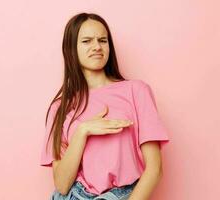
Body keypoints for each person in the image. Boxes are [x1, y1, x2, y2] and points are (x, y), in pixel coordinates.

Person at [40, 12, 170, 200]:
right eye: (86, 41)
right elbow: (61, 184)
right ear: (71, 49)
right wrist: (82, 131)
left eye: (102, 40)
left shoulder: (136, 91)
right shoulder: (60, 108)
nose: (97, 47)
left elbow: (154, 169)